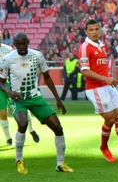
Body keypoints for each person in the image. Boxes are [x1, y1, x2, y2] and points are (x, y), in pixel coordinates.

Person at [0, 33, 73, 174]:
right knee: (22, 124)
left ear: (28, 42)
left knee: (57, 127)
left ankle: (60, 163)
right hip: (18, 99)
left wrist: (58, 99)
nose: (21, 47)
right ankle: (19, 160)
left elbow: (47, 77)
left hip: (35, 97)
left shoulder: (37, 55)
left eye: (24, 43)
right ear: (14, 44)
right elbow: (1, 82)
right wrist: (10, 93)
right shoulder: (7, 59)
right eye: (18, 44)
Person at [78, 19, 118, 163]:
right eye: (91, 30)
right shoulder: (85, 47)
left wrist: (107, 79)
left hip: (107, 85)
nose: (95, 32)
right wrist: (105, 79)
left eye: (97, 29)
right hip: (95, 88)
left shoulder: (101, 45)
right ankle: (104, 147)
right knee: (110, 118)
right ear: (86, 31)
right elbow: (85, 71)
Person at [0, 43, 40, 146]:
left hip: (11, 84)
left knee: (22, 107)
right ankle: (8, 138)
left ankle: (31, 129)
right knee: (3, 112)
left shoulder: (7, 50)